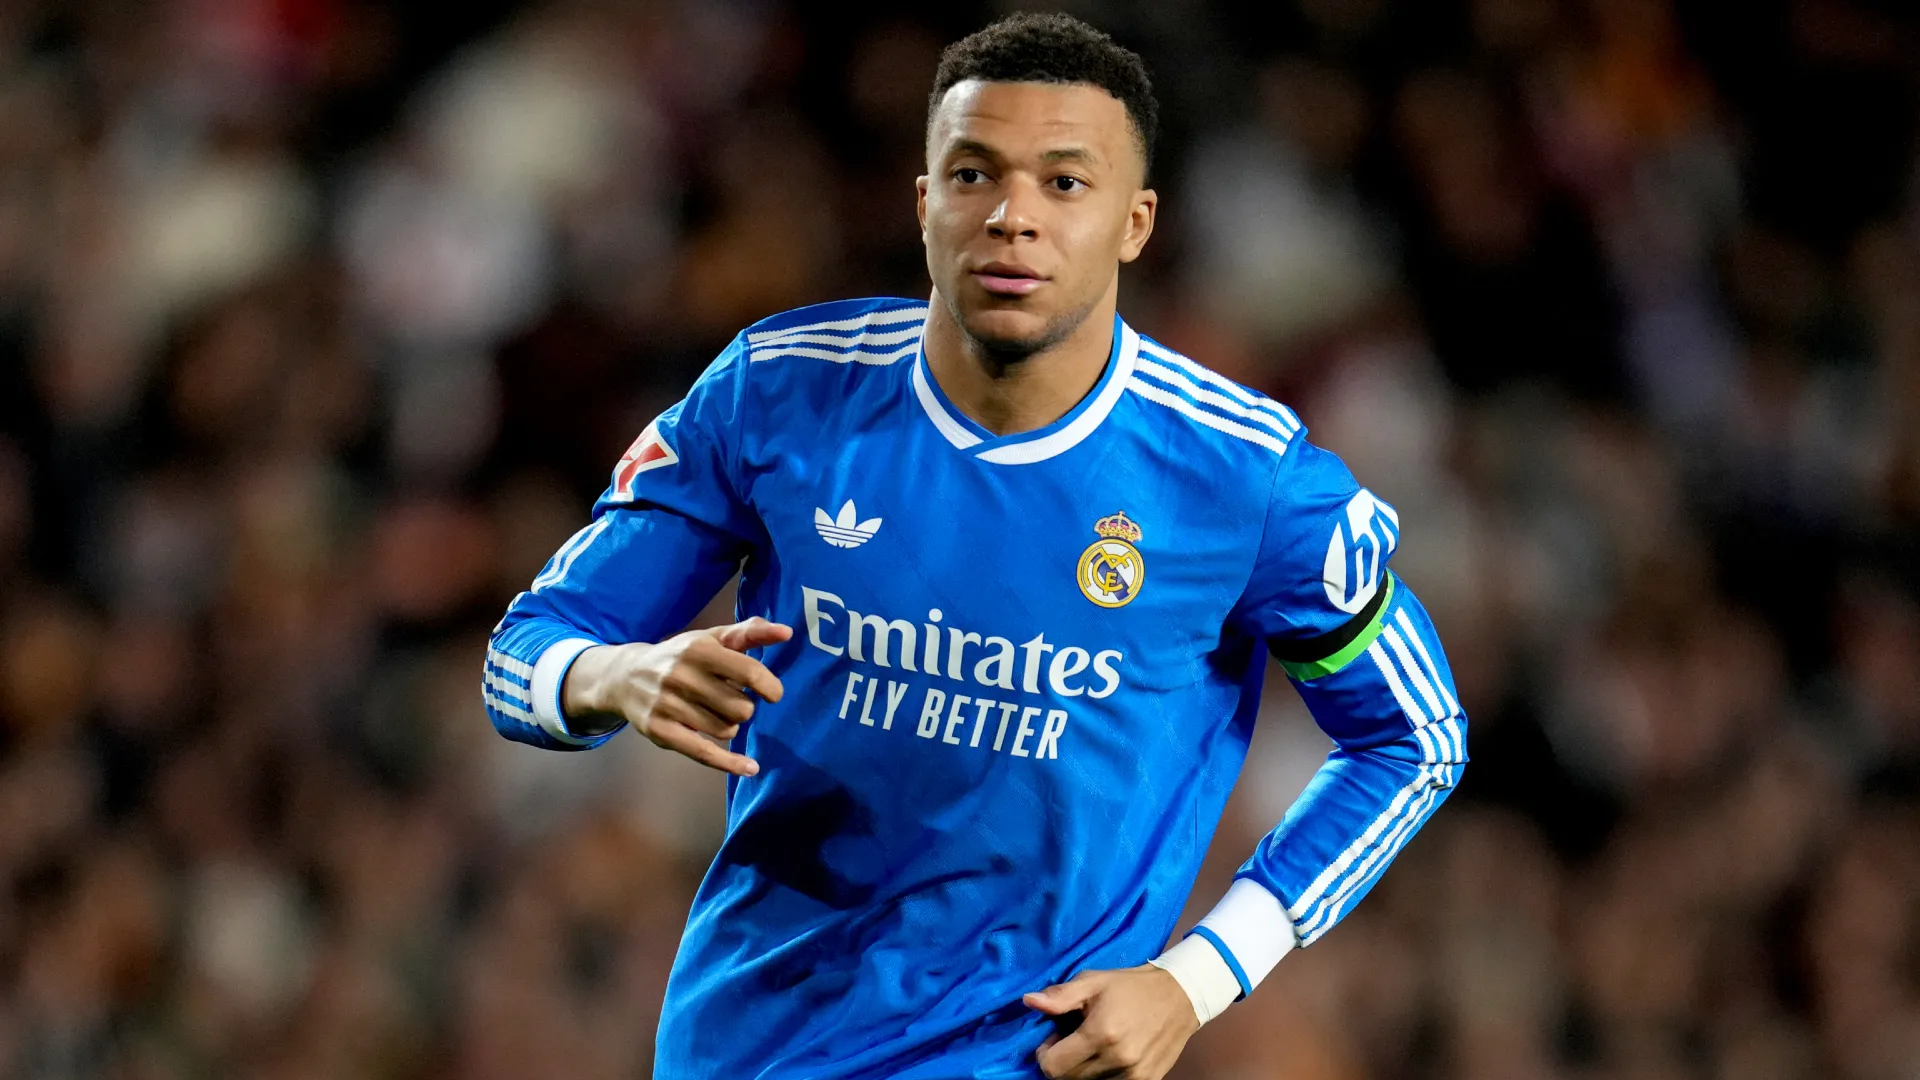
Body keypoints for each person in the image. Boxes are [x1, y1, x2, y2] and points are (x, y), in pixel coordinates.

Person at [483, 13, 1466, 1079]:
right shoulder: (779, 390)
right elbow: (524, 652)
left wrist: (1201, 977)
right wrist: (615, 675)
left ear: (1135, 223)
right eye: (973, 175)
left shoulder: (1245, 480)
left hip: (1027, 1058)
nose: (1012, 217)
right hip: (750, 1048)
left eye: (1064, 183)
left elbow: (1415, 737)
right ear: (925, 205)